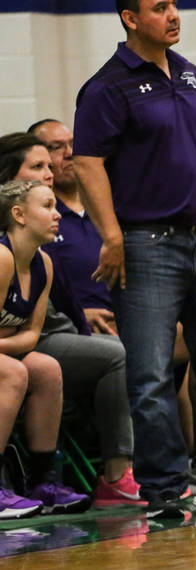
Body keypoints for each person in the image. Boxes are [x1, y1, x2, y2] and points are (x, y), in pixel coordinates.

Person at [73, 0, 196, 516]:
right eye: (159, 7)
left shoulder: (192, 76)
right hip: (145, 246)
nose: (173, 14)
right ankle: (164, 489)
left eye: (174, 5)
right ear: (129, 17)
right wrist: (111, 234)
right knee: (151, 376)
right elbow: (88, 163)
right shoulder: (106, 87)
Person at [24, 119, 142, 507]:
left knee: (182, 343)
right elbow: (42, 312)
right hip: (47, 336)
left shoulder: (100, 207)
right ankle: (116, 473)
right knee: (116, 355)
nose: (65, 157)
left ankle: (178, 459)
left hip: (85, 324)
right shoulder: (24, 241)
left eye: (71, 145)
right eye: (47, 156)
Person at [0, 179, 88, 515]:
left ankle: (42, 481)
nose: (57, 215)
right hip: (5, 357)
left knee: (47, 369)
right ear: (19, 214)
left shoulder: (44, 264)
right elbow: (19, 338)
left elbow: (31, 335)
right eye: (48, 206)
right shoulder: (2, 257)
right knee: (13, 371)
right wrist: (12, 344)